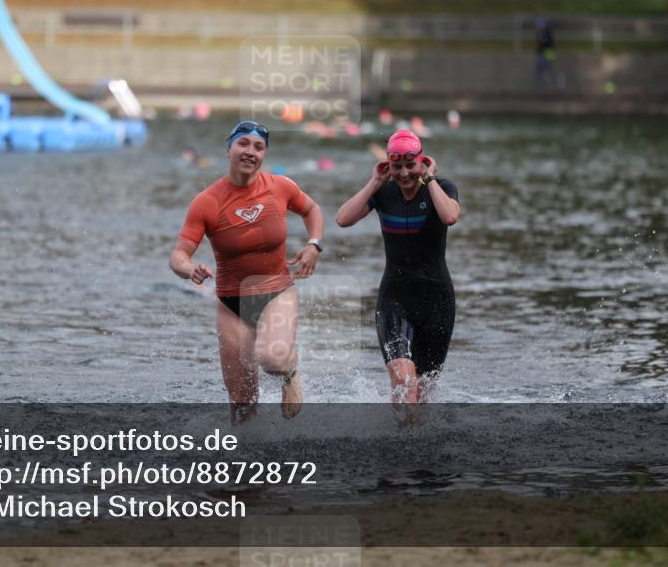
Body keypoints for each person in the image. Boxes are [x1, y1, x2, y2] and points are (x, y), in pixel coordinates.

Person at [169, 121, 324, 423]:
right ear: (228, 149)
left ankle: (291, 371)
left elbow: (311, 210)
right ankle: (242, 461)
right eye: (243, 144)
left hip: (277, 293)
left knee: (273, 358)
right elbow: (177, 255)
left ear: (264, 154)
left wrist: (314, 245)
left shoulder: (280, 186)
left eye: (258, 147)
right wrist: (189, 269)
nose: (250, 152)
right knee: (242, 403)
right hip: (231, 303)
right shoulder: (207, 202)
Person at [336, 129, 460, 407]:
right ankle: (399, 446)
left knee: (424, 394)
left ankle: (415, 446)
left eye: (410, 165)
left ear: (422, 162)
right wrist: (374, 181)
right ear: (388, 165)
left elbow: (450, 216)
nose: (404, 173)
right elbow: (343, 219)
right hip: (395, 299)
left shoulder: (443, 187)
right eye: (396, 166)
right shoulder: (383, 191)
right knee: (404, 383)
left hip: (437, 302)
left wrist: (429, 180)